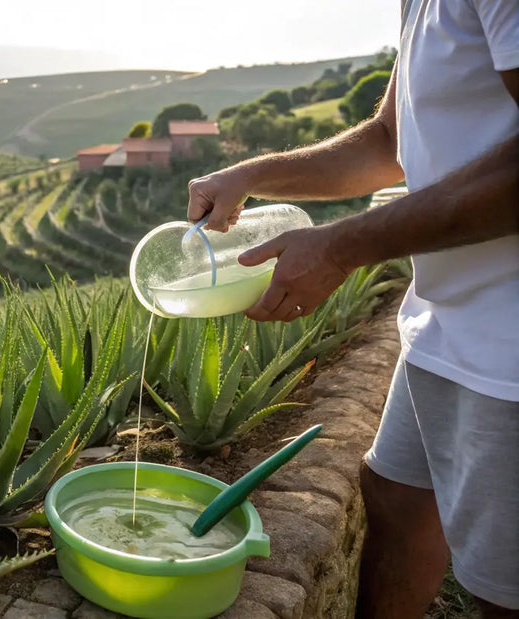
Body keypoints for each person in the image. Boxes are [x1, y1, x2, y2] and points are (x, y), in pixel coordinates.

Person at [185, 1, 518, 617]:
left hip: (510, 347)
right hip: (444, 314)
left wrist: (338, 249)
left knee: (502, 589)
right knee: (394, 493)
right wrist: (252, 174)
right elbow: (391, 138)